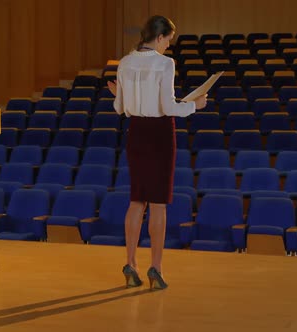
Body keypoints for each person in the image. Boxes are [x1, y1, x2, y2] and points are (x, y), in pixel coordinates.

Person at [107, 15, 207, 290]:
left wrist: (118, 92)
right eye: (168, 41)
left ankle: (130, 263)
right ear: (161, 37)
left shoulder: (125, 62)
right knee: (159, 204)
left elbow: (119, 108)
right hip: (160, 134)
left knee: (137, 200)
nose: (168, 47)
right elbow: (169, 107)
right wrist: (194, 106)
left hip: (136, 132)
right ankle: (156, 268)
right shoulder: (165, 64)